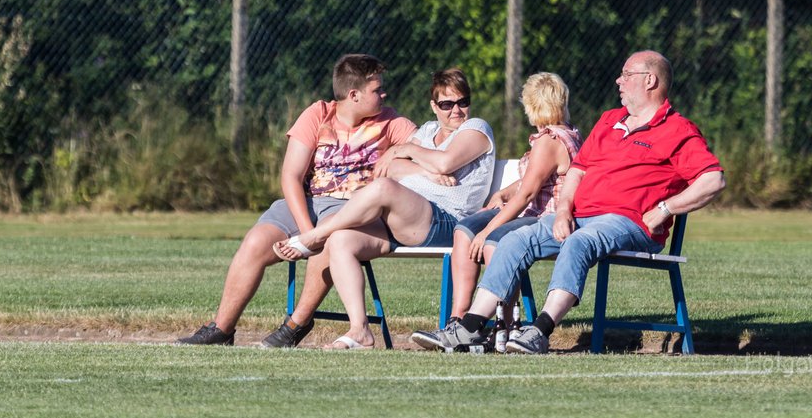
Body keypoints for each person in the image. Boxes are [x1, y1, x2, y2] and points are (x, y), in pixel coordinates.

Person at [412, 51, 725, 354]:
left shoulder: (677, 129)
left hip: (628, 222)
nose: (618, 81)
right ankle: (469, 326)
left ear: (650, 81)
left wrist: (666, 209)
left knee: (579, 241)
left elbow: (713, 179)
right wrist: (563, 210)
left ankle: (540, 331)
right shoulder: (610, 120)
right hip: (580, 215)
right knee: (514, 239)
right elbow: (578, 169)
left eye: (627, 75)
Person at [177, 54, 416, 346]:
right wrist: (306, 232)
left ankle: (295, 325)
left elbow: (429, 150)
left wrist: (396, 152)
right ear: (353, 95)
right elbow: (291, 176)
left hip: (352, 208)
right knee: (255, 242)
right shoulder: (318, 114)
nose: (384, 94)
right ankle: (221, 329)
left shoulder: (392, 122)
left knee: (332, 237)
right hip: (306, 202)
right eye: (377, 89)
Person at [273, 68, 495, 349]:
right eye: (446, 104)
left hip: (447, 221)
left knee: (381, 189)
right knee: (341, 240)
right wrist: (412, 163)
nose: (456, 110)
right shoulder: (427, 131)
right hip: (404, 219)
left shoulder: (476, 128)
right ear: (433, 106)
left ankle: (313, 236)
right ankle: (359, 330)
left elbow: (444, 164)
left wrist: (406, 152)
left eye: (463, 102)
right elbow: (390, 167)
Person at [411, 72, 580, 341]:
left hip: (542, 217)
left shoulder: (550, 140)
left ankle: (504, 323)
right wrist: (502, 193)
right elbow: (528, 182)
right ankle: (458, 318)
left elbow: (527, 196)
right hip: (528, 210)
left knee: (492, 240)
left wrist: (488, 228)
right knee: (464, 230)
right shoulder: (550, 136)